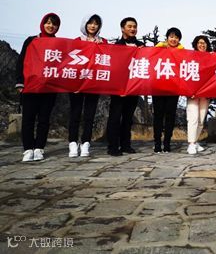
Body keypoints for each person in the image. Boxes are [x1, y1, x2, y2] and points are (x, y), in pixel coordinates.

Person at [16, 13, 61, 162]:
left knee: (44, 119)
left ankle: (39, 148)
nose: (51, 26)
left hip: (49, 88)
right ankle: (28, 149)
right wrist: (20, 82)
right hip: (30, 86)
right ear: (42, 24)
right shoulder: (31, 40)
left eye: (54, 24)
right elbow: (21, 61)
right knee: (28, 119)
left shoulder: (59, 44)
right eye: (48, 22)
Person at [68, 14, 107, 158]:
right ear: (85, 24)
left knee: (90, 115)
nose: (93, 26)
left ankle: (85, 143)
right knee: (75, 114)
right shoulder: (76, 41)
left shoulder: (103, 42)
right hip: (76, 83)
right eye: (90, 23)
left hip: (93, 83)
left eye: (96, 23)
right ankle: (73, 142)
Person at [106, 17, 144, 156]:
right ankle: (112, 146)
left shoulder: (141, 46)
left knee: (128, 118)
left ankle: (126, 145)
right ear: (122, 29)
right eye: (129, 26)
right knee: (115, 118)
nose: (133, 29)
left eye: (134, 26)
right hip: (118, 88)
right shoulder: (116, 46)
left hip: (134, 88)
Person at [152, 27, 184, 153]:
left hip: (173, 89)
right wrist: (159, 46)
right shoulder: (159, 50)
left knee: (170, 116)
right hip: (158, 88)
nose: (173, 39)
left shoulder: (182, 52)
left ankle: (167, 143)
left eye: (176, 37)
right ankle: (157, 143)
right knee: (158, 116)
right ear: (167, 38)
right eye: (171, 36)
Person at [187, 35, 212, 155]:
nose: (202, 45)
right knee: (193, 118)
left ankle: (195, 141)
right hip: (192, 94)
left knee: (201, 119)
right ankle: (191, 144)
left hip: (205, 94)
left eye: (204, 43)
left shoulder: (211, 57)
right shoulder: (190, 57)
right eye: (199, 43)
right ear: (196, 45)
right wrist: (189, 91)